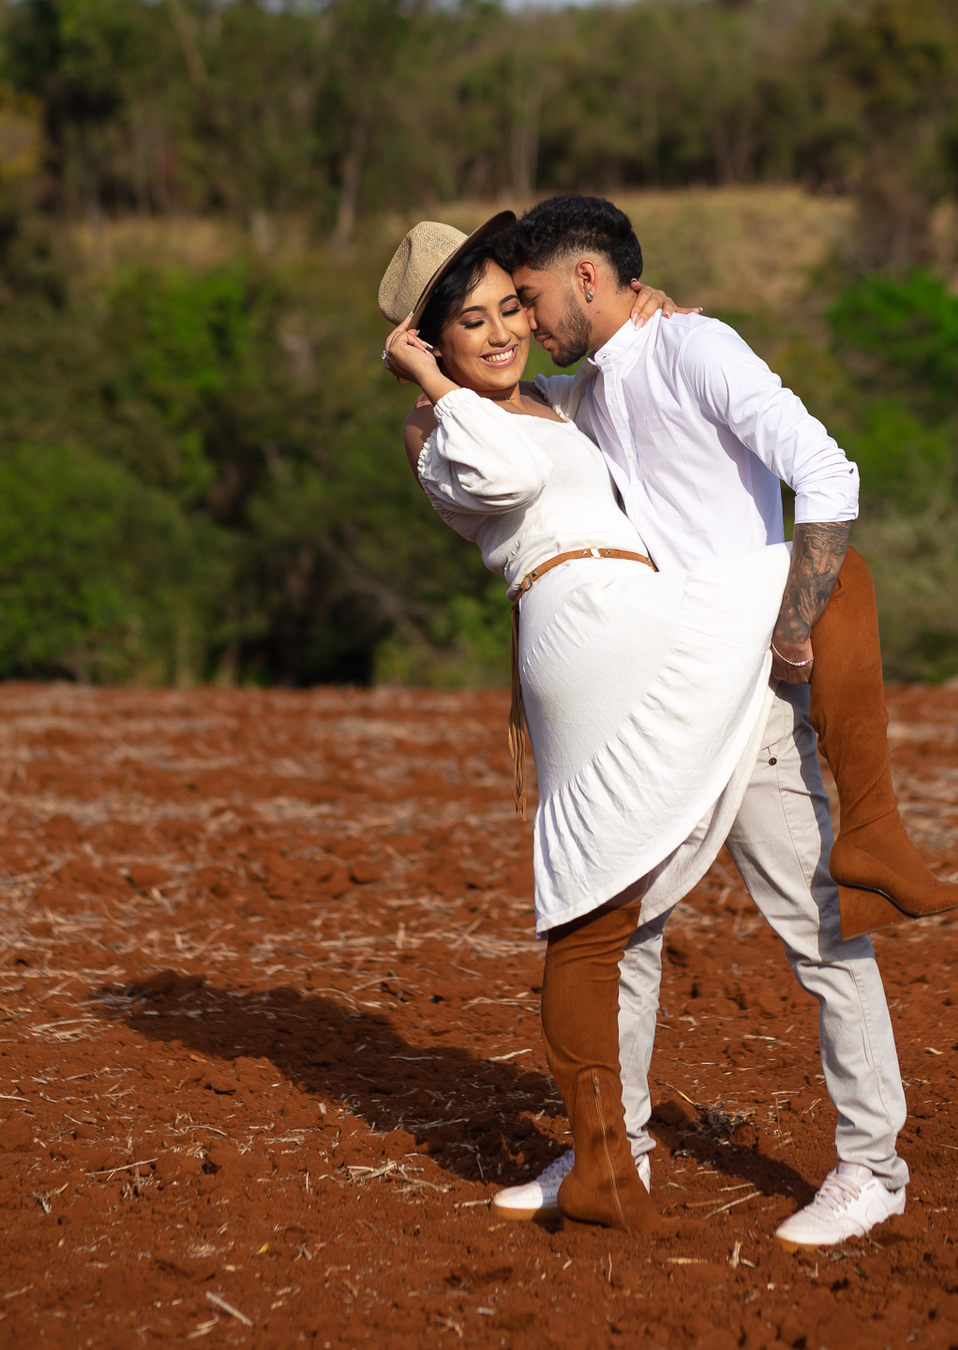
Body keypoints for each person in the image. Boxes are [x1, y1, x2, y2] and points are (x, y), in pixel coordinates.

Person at [487, 194, 958, 1249]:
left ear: (588, 278)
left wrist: (796, 625)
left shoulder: (699, 349)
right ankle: (614, 1150)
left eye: (529, 298)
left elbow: (829, 473)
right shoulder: (588, 389)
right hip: (655, 705)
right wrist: (423, 350)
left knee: (820, 928)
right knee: (626, 932)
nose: (524, 321)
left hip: (751, 696)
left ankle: (874, 1169)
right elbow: (498, 398)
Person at [381, 214, 805, 1237]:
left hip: (638, 618)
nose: (501, 333)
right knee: (592, 909)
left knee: (624, 904)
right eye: (471, 323)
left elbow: (614, 393)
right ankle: (602, 1156)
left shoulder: (547, 401)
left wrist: (646, 319)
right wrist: (429, 385)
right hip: (579, 628)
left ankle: (611, 1152)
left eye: (510, 308)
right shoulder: (440, 432)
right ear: (428, 344)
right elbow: (512, 478)